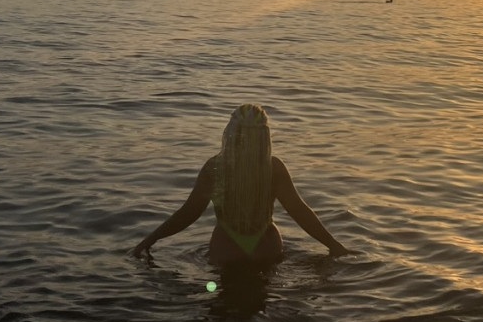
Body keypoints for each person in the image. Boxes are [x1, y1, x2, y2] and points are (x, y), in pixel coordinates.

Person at [133, 104, 348, 265]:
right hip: (267, 244)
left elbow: (188, 214)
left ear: (231, 133)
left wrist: (149, 241)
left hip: (227, 246)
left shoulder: (215, 168)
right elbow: (300, 212)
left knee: (226, 309)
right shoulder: (273, 168)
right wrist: (334, 246)